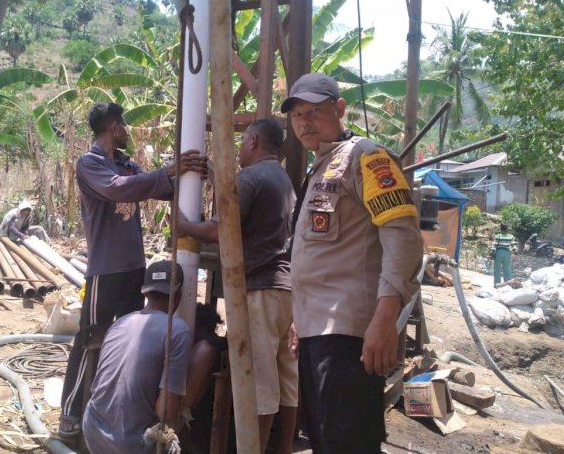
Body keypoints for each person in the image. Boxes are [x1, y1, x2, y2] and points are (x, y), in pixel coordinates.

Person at [280, 73, 423, 453]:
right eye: (297, 115)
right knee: (326, 440)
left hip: (350, 335)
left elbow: (402, 237)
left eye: (314, 111)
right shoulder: (321, 165)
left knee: (348, 442)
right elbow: (322, 254)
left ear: (339, 109)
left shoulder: (366, 156)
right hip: (317, 331)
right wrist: (300, 318)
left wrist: (385, 319)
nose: (305, 122)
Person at [59, 102, 206, 439]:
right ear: (113, 127)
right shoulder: (90, 164)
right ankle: (70, 412)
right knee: (90, 339)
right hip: (104, 271)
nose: (127, 131)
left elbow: (155, 187)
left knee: (127, 342)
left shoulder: (128, 165)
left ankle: (115, 408)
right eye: (123, 125)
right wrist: (168, 172)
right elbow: (117, 189)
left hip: (133, 270)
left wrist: (191, 175)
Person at [177, 118, 298, 454]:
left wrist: (185, 225)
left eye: (243, 143)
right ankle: (284, 447)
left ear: (254, 140)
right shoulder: (283, 179)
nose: (241, 151)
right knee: (286, 377)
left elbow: (221, 230)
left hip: (259, 289)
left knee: (259, 382)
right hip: (286, 290)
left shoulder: (251, 177)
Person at [82, 260, 216, 454]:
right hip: (131, 445)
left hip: (93, 433)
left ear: (145, 293)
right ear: (177, 295)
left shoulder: (120, 323)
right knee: (205, 350)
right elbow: (165, 413)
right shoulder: (177, 330)